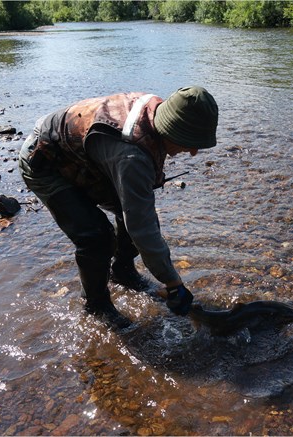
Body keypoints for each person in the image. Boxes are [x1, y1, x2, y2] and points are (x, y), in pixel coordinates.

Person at [19, 86, 219, 329]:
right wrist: (174, 283)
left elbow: (140, 215)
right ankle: (96, 305)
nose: (194, 152)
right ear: (170, 130)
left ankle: (122, 271)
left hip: (89, 159)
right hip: (45, 163)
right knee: (96, 237)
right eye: (190, 142)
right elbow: (141, 227)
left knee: (136, 215)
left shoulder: (156, 111)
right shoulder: (131, 156)